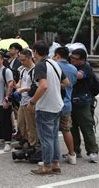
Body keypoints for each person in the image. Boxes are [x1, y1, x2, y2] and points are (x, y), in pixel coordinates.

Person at [28, 41, 68, 175]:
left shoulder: (40, 65)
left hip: (45, 106)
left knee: (46, 138)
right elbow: (66, 83)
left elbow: (43, 86)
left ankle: (47, 166)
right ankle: (55, 164)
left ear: (35, 52)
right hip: (57, 105)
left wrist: (32, 102)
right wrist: (55, 87)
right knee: (54, 136)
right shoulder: (54, 63)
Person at [69, 48, 98, 163]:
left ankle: (92, 151)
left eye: (76, 59)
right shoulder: (72, 66)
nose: (73, 60)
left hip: (83, 102)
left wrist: (65, 69)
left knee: (86, 127)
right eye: (71, 58)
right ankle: (75, 150)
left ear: (83, 60)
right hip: (71, 101)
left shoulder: (86, 67)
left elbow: (78, 76)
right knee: (72, 128)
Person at [52, 47, 78, 165]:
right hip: (67, 103)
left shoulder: (54, 66)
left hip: (53, 103)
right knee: (66, 129)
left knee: (52, 131)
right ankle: (72, 155)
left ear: (57, 55)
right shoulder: (73, 68)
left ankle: (53, 157)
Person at [15, 49, 38, 149]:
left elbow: (36, 87)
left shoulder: (35, 70)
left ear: (30, 58)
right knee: (20, 122)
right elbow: (20, 82)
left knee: (30, 125)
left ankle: (33, 144)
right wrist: (16, 86)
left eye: (24, 60)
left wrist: (23, 89)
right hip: (22, 100)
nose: (22, 62)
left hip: (30, 100)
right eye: (21, 60)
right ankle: (25, 140)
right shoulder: (23, 70)